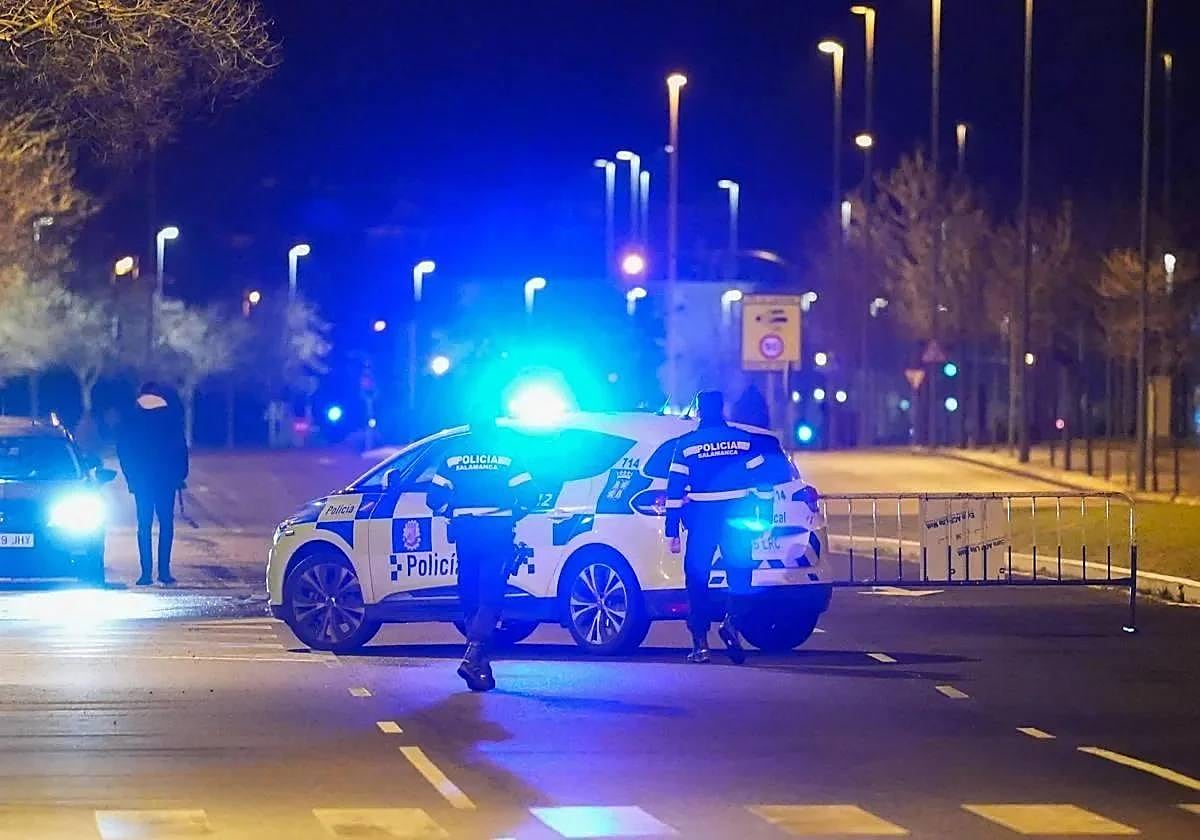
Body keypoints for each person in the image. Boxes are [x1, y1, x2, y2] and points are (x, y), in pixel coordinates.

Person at [426, 403, 536, 692]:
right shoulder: (507, 454)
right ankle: (473, 652)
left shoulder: (453, 455)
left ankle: (478, 667)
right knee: (491, 593)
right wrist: (514, 512)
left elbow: (434, 498)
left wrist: (453, 511)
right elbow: (529, 494)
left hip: (465, 533)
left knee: (470, 593)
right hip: (496, 531)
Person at [665, 390, 774, 664]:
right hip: (737, 517)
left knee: (697, 579)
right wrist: (766, 517)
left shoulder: (687, 444)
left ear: (700, 411)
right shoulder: (743, 440)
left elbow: (675, 490)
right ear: (723, 409)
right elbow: (764, 481)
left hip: (702, 519)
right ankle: (732, 623)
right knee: (741, 573)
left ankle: (700, 644)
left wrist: (672, 530)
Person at [117, 383, 189, 586]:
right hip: (166, 480)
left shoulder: (132, 416)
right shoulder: (170, 417)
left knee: (144, 525)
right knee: (166, 524)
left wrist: (130, 476)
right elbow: (180, 448)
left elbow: (124, 448)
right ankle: (164, 572)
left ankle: (145, 572)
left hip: (142, 480)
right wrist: (180, 475)